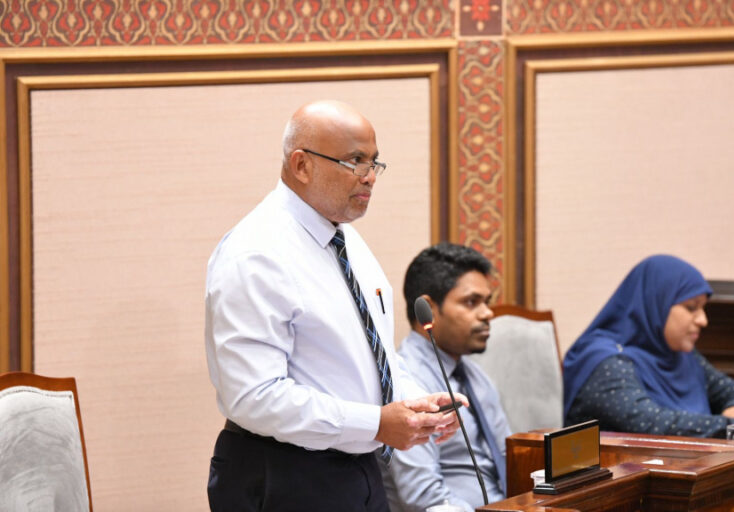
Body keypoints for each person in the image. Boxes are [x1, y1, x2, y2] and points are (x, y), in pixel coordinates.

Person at [204, 100, 466, 512]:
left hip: (358, 468)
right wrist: (376, 423)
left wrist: (419, 404)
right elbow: (255, 396)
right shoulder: (255, 253)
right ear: (302, 165)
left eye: (374, 162)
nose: (370, 176)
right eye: (355, 161)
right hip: (281, 475)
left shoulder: (345, 239)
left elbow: (371, 357)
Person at [563, 254, 734, 438]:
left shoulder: (679, 354)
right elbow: (654, 425)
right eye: (691, 308)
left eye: (703, 308)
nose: (703, 320)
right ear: (656, 304)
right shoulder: (606, 362)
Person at [381, 243, 511, 512]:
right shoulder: (406, 386)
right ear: (428, 310)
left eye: (486, 302)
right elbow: (423, 496)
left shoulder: (474, 374)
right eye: (471, 302)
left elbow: (509, 457)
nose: (488, 313)